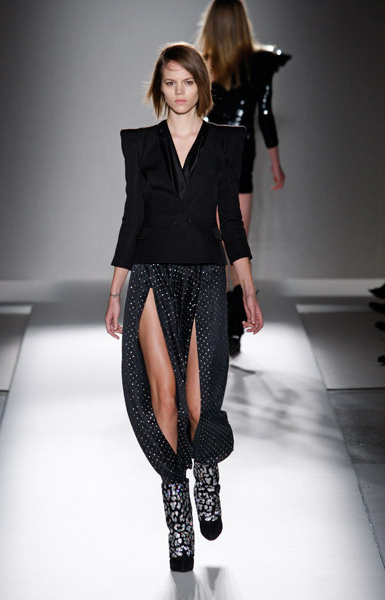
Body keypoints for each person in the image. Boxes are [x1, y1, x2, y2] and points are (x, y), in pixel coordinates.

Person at [105, 42, 263, 572]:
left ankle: (207, 471)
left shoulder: (226, 141)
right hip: (151, 275)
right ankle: (178, 518)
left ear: (202, 86)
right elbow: (132, 217)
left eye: (187, 82)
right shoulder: (139, 144)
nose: (179, 92)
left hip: (205, 276)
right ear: (160, 87)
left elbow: (230, 221)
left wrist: (247, 288)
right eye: (170, 82)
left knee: (199, 403)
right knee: (164, 399)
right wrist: (115, 290)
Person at [197, 0, 291, 355]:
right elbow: (264, 113)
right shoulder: (258, 63)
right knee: (235, 246)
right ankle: (232, 328)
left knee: (214, 246)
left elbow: (191, 115)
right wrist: (276, 163)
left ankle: (220, 325)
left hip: (207, 160)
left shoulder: (202, 62)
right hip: (240, 161)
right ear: (242, 23)